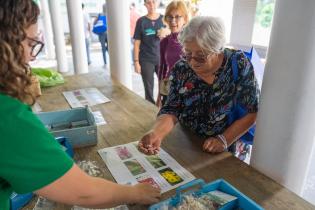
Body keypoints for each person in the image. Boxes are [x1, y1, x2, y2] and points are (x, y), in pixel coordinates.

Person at [0, 1, 160, 210]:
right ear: (8, 44)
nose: (31, 56)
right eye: (31, 44)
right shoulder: (8, 115)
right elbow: (84, 193)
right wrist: (134, 192)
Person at [138, 16, 260, 156]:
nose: (193, 62)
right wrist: (156, 133)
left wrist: (223, 140)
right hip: (189, 142)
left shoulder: (238, 63)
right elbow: (172, 109)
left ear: (216, 49)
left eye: (201, 56)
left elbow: (253, 110)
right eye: (188, 53)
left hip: (227, 147)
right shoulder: (181, 69)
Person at [133, 0, 168, 104]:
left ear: (157, 2)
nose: (151, 5)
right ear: (145, 4)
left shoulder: (164, 19)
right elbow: (137, 43)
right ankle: (150, 112)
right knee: (148, 89)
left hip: (161, 59)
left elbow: (173, 34)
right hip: (146, 59)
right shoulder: (141, 21)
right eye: (148, 2)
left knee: (165, 86)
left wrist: (166, 33)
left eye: (153, 2)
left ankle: (163, 108)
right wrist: (136, 62)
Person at [157, 1, 189, 107]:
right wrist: (159, 94)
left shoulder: (191, 41)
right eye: (170, 17)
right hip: (169, 90)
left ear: (185, 19)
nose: (173, 21)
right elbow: (162, 69)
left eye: (177, 17)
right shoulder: (164, 42)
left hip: (188, 90)